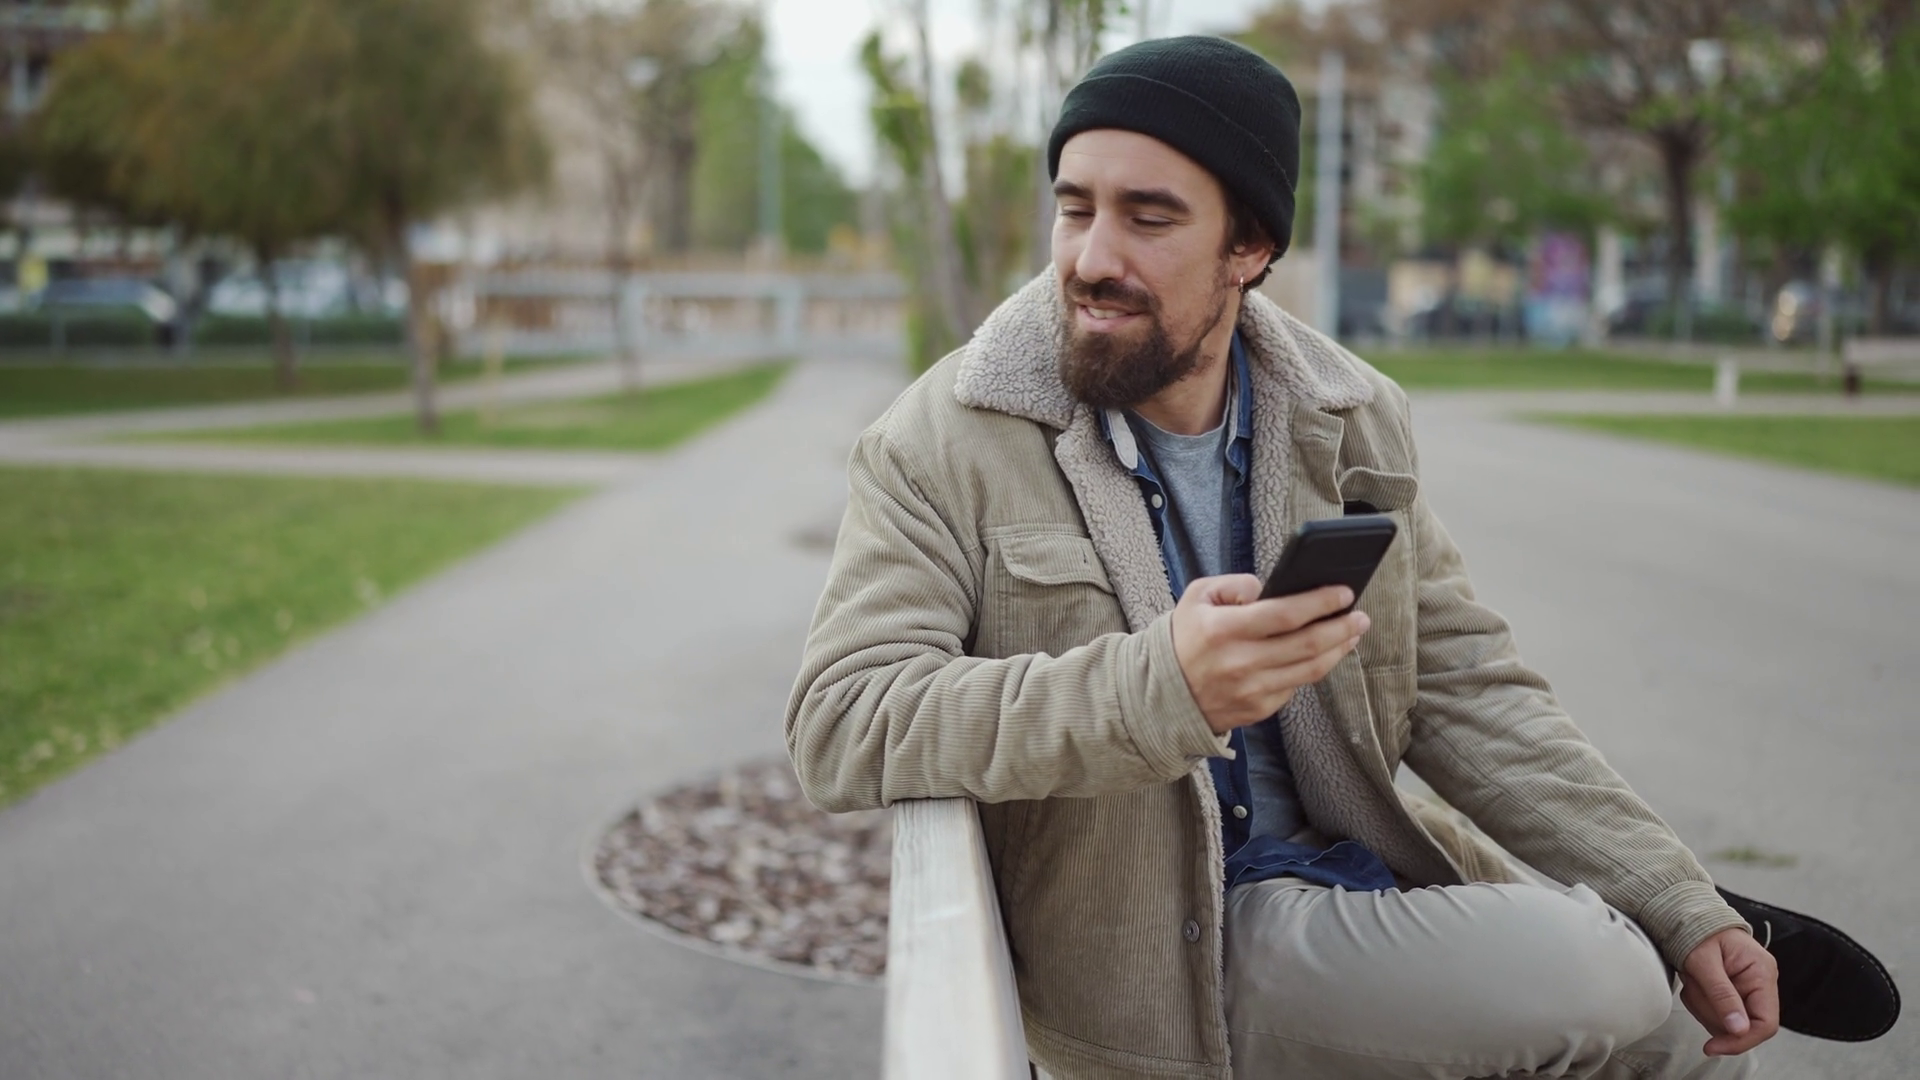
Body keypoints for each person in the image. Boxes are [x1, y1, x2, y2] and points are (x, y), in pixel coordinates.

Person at [788, 36, 1800, 1079]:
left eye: (1149, 218)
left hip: (1355, 885)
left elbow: (1470, 686)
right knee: (1608, 979)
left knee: (1700, 1029)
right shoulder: (942, 438)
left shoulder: (1350, 416)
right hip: (1176, 959)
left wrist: (1671, 892)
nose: (1091, 257)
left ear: (1250, 248)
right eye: (1076, 207)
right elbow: (841, 719)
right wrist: (1159, 689)